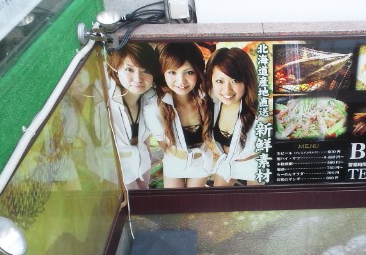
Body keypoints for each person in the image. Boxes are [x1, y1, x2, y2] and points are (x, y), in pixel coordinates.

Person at [144, 43, 213, 188]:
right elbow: (162, 143)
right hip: (174, 162)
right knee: (175, 200)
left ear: (198, 72)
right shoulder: (155, 108)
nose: (181, 81)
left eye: (189, 72)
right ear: (162, 73)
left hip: (202, 162)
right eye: (172, 72)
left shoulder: (207, 100)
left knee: (194, 200)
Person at [97, 42, 160, 189]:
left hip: (142, 167)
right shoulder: (105, 100)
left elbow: (145, 140)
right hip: (115, 175)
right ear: (115, 69)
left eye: (145, 71)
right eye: (129, 69)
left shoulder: (150, 101)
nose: (138, 78)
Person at [205, 47, 261, 186]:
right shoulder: (213, 103)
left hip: (253, 163)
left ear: (247, 80)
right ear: (211, 80)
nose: (227, 90)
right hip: (227, 163)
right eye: (220, 81)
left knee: (257, 199)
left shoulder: (260, 112)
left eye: (235, 81)